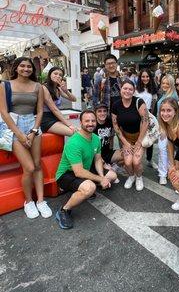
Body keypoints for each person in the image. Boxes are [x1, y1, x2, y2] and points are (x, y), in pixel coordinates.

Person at [0, 57, 52, 219]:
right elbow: (3, 112)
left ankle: (41, 201)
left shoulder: (38, 87)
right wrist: (20, 135)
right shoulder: (5, 85)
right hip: (14, 126)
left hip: (33, 125)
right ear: (16, 68)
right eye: (22, 66)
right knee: (28, 167)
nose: (26, 69)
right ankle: (28, 201)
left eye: (29, 66)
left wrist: (34, 130)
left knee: (37, 165)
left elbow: (40, 111)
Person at [55, 110, 117, 229]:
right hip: (67, 174)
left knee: (112, 176)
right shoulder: (74, 142)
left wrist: (102, 177)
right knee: (90, 188)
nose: (90, 123)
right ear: (81, 123)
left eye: (93, 121)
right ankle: (63, 211)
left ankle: (86, 187)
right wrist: (99, 179)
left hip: (84, 169)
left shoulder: (95, 138)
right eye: (87, 121)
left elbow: (98, 159)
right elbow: (78, 172)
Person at [111, 80, 149, 191]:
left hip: (140, 136)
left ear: (134, 91)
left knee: (136, 162)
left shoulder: (139, 102)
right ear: (121, 89)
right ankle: (131, 176)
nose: (127, 91)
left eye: (130, 89)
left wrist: (139, 141)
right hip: (126, 137)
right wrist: (125, 142)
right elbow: (115, 125)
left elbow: (145, 121)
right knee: (127, 162)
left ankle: (139, 177)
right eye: (125, 88)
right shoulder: (116, 105)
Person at [41, 67, 77, 136]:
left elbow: (74, 99)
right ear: (50, 75)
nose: (58, 76)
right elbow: (54, 109)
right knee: (73, 132)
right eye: (55, 73)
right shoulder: (44, 88)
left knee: (79, 130)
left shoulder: (58, 89)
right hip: (46, 119)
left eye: (60, 75)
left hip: (56, 117)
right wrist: (69, 125)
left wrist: (66, 91)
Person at [156, 74, 178, 185]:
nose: (164, 85)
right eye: (163, 83)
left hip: (170, 127)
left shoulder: (173, 96)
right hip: (162, 126)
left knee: (166, 151)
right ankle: (164, 173)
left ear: (171, 84)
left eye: (167, 83)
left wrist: (168, 128)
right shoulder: (164, 94)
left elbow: (175, 114)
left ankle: (166, 173)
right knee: (163, 150)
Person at [135, 69, 158, 170]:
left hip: (149, 116)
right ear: (140, 78)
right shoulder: (136, 89)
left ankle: (149, 160)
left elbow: (154, 103)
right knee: (137, 138)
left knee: (149, 139)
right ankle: (136, 159)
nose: (145, 78)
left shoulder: (153, 89)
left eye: (147, 76)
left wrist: (152, 116)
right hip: (137, 116)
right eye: (143, 76)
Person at [94, 103, 123, 169]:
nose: (102, 113)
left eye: (104, 111)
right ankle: (107, 168)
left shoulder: (109, 121)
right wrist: (103, 162)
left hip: (107, 153)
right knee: (113, 177)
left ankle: (114, 167)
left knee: (127, 154)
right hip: (96, 156)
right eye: (99, 111)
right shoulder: (93, 124)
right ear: (95, 113)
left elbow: (112, 137)